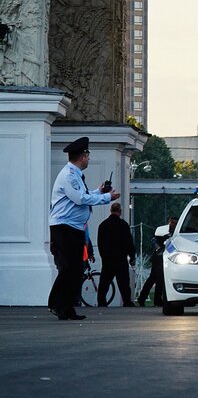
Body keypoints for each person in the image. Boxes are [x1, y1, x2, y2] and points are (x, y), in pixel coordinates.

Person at [48, 136, 120, 320]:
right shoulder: (69, 176)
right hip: (65, 228)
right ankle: (57, 304)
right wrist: (106, 198)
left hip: (72, 228)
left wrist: (99, 192)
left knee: (74, 269)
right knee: (69, 268)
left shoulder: (75, 175)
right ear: (82, 156)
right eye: (87, 155)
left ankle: (66, 307)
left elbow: (84, 195)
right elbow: (80, 199)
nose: (88, 158)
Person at [97, 202, 136, 307]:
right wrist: (132, 256)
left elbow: (100, 243)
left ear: (111, 210)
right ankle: (127, 302)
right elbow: (129, 242)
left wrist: (103, 256)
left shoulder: (103, 225)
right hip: (120, 258)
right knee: (123, 283)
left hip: (108, 259)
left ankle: (101, 302)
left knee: (104, 283)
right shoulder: (123, 225)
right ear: (120, 211)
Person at [137, 216, 177, 307]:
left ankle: (143, 298)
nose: (173, 225)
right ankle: (156, 300)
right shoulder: (164, 232)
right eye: (172, 223)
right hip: (159, 257)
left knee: (153, 279)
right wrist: (158, 248)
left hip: (162, 257)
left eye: (174, 223)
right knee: (158, 279)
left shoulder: (172, 233)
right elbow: (154, 240)